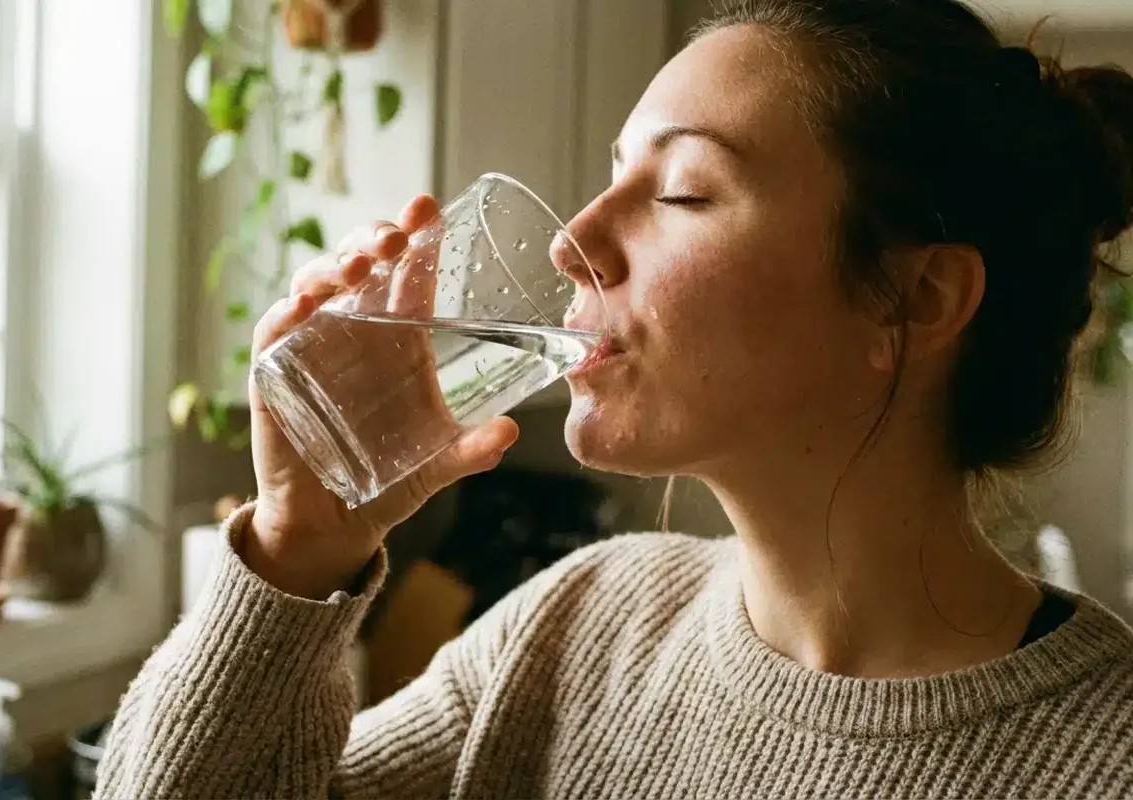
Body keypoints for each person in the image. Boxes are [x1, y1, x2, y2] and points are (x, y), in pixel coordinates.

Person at [98, 0, 1133, 796]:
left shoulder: (1102, 757)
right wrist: (296, 543)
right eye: (610, 175)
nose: (572, 241)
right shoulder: (578, 620)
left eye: (682, 190)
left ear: (915, 294)